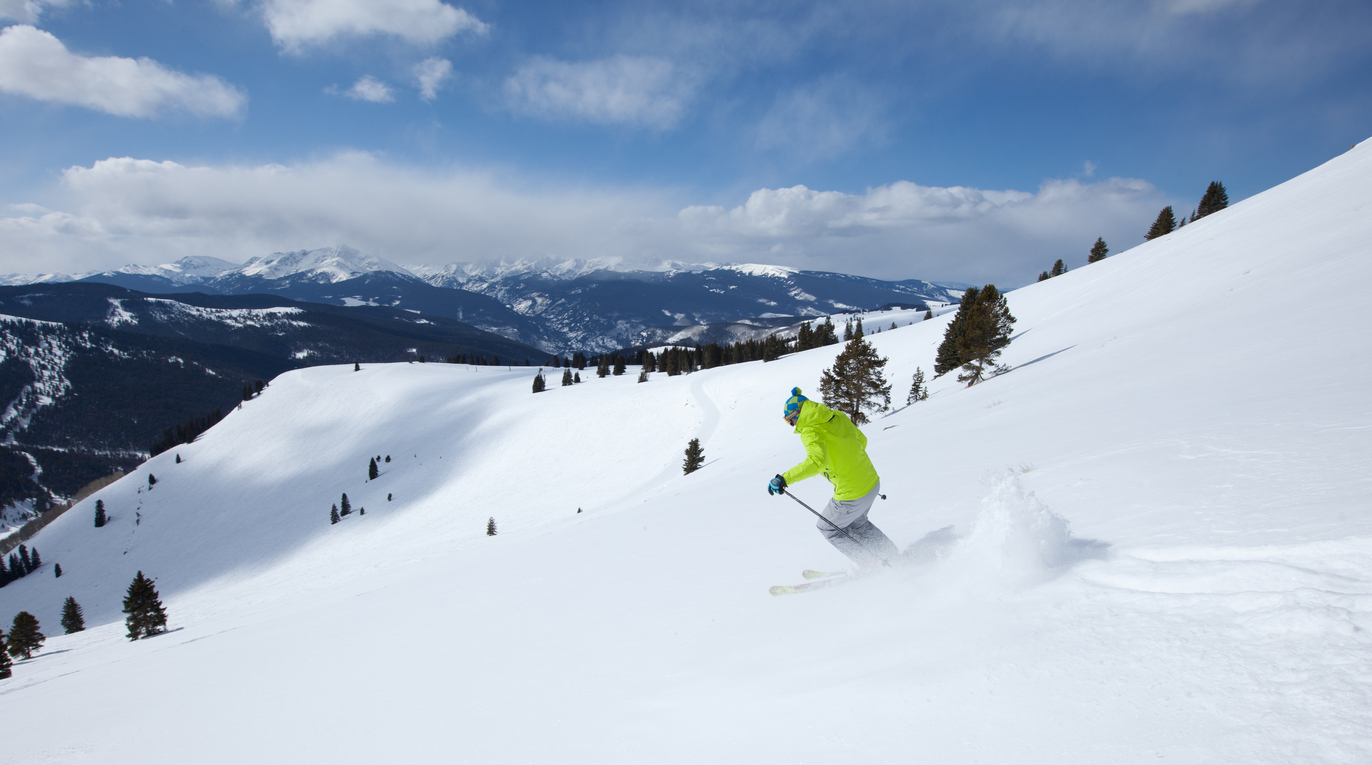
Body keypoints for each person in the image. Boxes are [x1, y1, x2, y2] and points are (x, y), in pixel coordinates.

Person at [768, 387, 899, 568]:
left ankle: (870, 563)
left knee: (827, 527)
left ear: (797, 414)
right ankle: (893, 556)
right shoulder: (838, 416)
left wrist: (784, 479)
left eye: (789, 420)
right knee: (858, 524)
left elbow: (816, 462)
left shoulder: (810, 430)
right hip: (871, 482)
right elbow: (862, 441)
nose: (792, 425)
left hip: (852, 493)